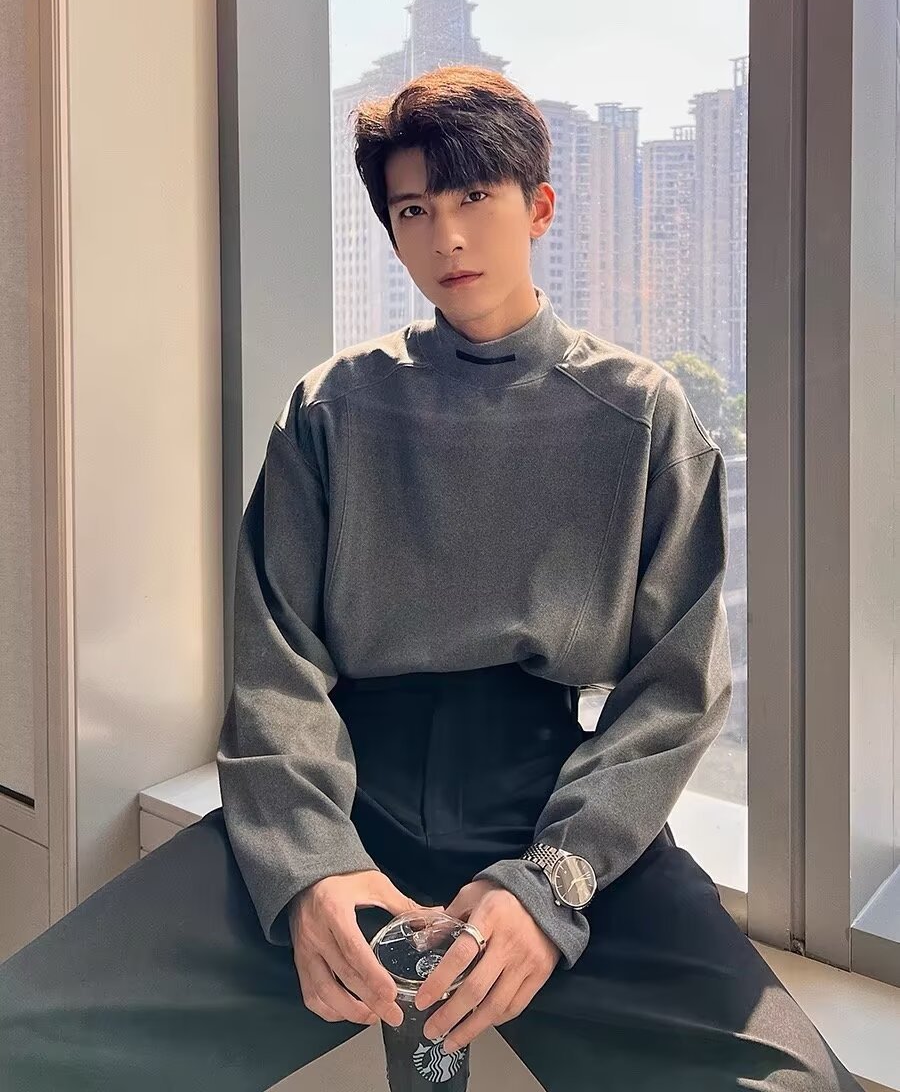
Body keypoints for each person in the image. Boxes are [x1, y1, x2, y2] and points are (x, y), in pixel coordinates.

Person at [0, 65, 862, 1091]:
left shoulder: (641, 415)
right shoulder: (332, 408)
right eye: (413, 210)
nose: (446, 237)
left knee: (794, 1081)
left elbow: (677, 689)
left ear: (539, 208)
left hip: (547, 804)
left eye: (474, 198)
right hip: (343, 797)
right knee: (26, 1032)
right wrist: (310, 868)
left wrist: (554, 880)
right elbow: (275, 667)